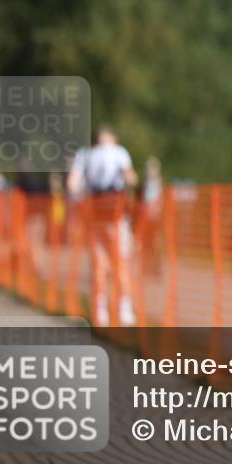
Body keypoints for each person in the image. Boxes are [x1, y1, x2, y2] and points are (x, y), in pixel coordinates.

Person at [68, 126, 139, 326]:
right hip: (112, 214)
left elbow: (72, 184)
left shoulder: (85, 154)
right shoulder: (118, 152)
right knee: (118, 262)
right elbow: (131, 177)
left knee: (101, 263)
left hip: (96, 213)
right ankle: (121, 310)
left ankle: (102, 311)